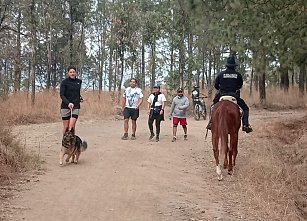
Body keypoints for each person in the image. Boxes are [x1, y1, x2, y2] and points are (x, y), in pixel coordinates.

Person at [206, 55, 253, 133]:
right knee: (245, 109)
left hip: (222, 95)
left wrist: (221, 89)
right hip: (233, 95)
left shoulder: (221, 74)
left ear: (226, 65)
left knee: (213, 107)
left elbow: (216, 85)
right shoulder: (238, 75)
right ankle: (245, 125)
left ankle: (211, 122)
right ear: (234, 66)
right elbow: (240, 86)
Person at [60, 66, 83, 135]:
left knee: (71, 126)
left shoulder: (79, 81)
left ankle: (73, 143)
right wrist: (68, 103)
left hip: (76, 106)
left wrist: (80, 98)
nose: (72, 73)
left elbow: (76, 92)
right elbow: (62, 95)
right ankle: (65, 143)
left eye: (73, 72)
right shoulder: (64, 82)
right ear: (68, 73)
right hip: (65, 106)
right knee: (66, 127)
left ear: (76, 73)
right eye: (70, 72)